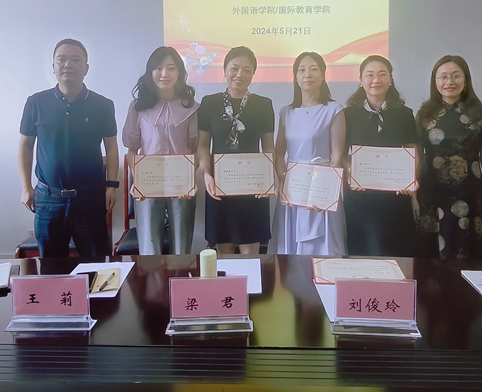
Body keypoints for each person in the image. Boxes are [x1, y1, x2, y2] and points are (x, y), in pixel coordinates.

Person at [18, 38, 119, 258]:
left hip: (90, 197)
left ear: (86, 68)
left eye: (75, 60)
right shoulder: (36, 103)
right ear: (53, 66)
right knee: (51, 268)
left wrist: (111, 186)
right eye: (61, 59)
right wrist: (26, 187)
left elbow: (111, 147)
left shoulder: (103, 105)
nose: (68, 65)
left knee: (97, 265)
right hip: (48, 198)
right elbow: (25, 146)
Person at [415, 55, 482, 260]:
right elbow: (418, 157)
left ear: (465, 79)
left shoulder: (480, 114)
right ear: (435, 81)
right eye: (443, 77)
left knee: (468, 256)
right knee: (431, 258)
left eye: (455, 76)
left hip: (470, 195)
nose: (449, 82)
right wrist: (412, 195)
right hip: (432, 195)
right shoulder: (424, 115)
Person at [197, 46, 274, 255]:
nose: (240, 74)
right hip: (220, 186)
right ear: (225, 70)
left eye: (247, 70)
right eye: (235, 68)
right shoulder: (209, 103)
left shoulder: (263, 105)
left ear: (253, 74)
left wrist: (268, 178)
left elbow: (268, 146)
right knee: (224, 253)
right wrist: (206, 173)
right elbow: (203, 145)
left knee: (250, 253)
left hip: (253, 187)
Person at [122, 47, 199, 255]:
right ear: (150, 72)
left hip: (182, 187)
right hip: (148, 185)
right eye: (158, 68)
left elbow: (194, 150)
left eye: (171, 68)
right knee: (150, 248)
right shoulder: (137, 107)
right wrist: (138, 178)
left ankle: (181, 277)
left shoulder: (191, 107)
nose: (164, 73)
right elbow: (132, 149)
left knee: (182, 247)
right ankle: (151, 279)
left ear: (180, 72)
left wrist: (190, 178)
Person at [270, 52, 346, 255]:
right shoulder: (286, 112)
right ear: (295, 76)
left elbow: (337, 157)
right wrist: (283, 179)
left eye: (314, 69)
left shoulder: (334, 110)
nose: (307, 74)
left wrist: (324, 194)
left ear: (323, 74)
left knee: (322, 248)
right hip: (293, 188)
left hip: (321, 188)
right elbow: (279, 153)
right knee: (290, 249)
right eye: (301, 70)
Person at [343, 55, 419, 257]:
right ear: (361, 80)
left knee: (397, 254)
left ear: (390, 79)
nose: (376, 80)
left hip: (396, 196)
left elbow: (412, 151)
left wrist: (410, 180)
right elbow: (341, 154)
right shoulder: (348, 115)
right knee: (363, 253)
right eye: (369, 75)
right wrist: (350, 170)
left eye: (382, 74)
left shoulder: (404, 114)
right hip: (360, 198)